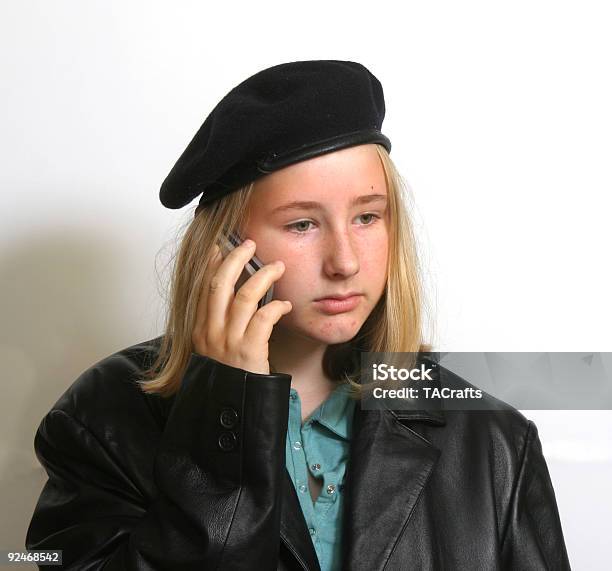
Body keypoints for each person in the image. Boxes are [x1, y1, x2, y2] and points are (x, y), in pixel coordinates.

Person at [25, 60, 571, 570]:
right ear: (226, 248)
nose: (345, 262)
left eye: (367, 216)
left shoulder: (493, 438)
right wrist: (227, 413)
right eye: (302, 224)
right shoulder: (102, 419)